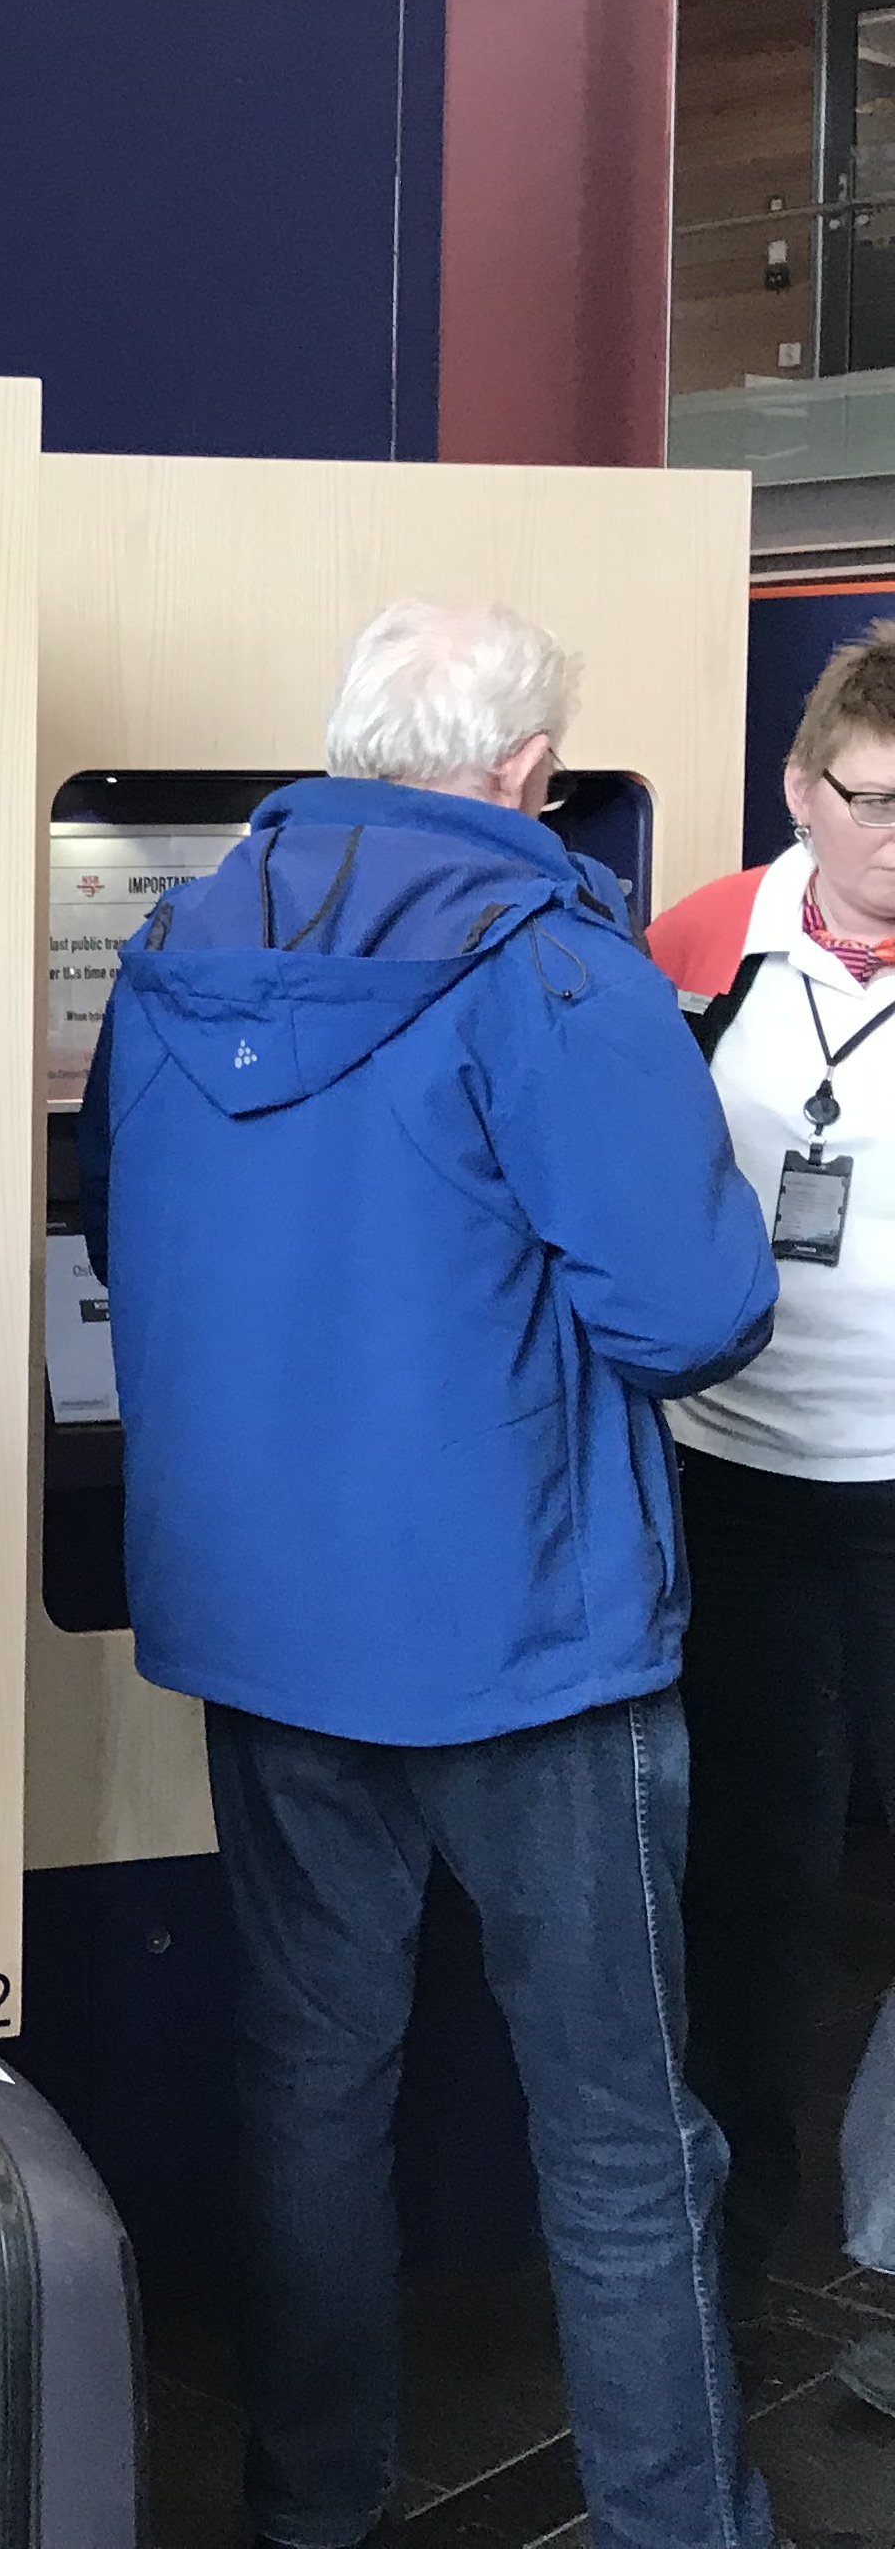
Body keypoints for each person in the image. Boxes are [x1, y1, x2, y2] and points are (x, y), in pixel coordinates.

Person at [78, 604, 783, 2549]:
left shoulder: (173, 951)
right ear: (524, 773)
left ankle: (311, 2506)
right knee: (628, 2139)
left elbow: (131, 1256)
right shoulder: (552, 968)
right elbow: (695, 1307)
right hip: (525, 1638)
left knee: (312, 2091)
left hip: (269, 1627)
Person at [648, 619, 895, 2385]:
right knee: (754, 1891)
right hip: (733, 1487)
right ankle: (724, 2271)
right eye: (877, 804)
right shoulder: (697, 944)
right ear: (805, 789)